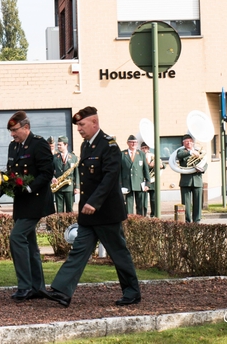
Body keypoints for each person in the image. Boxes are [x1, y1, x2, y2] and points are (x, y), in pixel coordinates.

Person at [42, 106, 141, 308]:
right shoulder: (86, 146)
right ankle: (62, 291)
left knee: (118, 253)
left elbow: (109, 178)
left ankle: (132, 292)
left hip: (106, 212)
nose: (78, 129)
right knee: (78, 251)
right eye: (77, 125)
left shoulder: (109, 145)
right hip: (88, 214)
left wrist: (93, 203)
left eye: (81, 124)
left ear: (94, 123)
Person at [6, 111, 55, 301]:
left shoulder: (39, 144)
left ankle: (25, 286)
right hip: (21, 202)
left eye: (15, 130)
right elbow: (12, 173)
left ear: (26, 127)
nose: (12, 134)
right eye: (10, 131)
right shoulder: (13, 146)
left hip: (35, 201)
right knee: (31, 245)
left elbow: (47, 172)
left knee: (17, 238)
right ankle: (37, 287)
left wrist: (28, 187)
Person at [177, 134, 207, 223]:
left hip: (197, 180)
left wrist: (202, 169)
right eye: (187, 141)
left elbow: (205, 163)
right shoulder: (181, 151)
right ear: (183, 143)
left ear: (193, 142)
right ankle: (187, 221)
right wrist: (190, 152)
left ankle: (197, 221)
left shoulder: (199, 152)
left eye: (190, 141)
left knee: (197, 203)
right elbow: (179, 155)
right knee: (186, 203)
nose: (189, 143)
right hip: (185, 181)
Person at [120, 135, 151, 215]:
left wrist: (147, 183)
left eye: (135, 142)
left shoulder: (141, 154)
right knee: (128, 206)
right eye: (131, 142)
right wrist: (120, 184)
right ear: (128, 143)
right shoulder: (122, 154)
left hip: (139, 183)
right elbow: (119, 171)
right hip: (127, 183)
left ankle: (140, 223)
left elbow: (145, 169)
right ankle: (129, 222)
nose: (133, 144)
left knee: (140, 205)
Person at [52, 136, 79, 213]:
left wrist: (77, 187)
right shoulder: (54, 157)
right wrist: (53, 178)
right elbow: (50, 171)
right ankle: (59, 225)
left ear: (66, 145)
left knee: (69, 210)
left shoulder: (74, 157)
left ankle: (70, 225)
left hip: (69, 187)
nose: (58, 146)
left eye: (60, 145)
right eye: (58, 145)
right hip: (58, 186)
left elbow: (76, 173)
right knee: (59, 210)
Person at [140, 142, 165, 217]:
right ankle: (143, 215)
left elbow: (163, 165)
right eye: (143, 148)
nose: (145, 150)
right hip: (143, 180)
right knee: (143, 200)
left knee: (154, 199)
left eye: (146, 148)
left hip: (153, 180)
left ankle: (153, 214)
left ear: (148, 149)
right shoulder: (139, 156)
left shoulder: (153, 156)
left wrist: (160, 165)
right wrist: (149, 165)